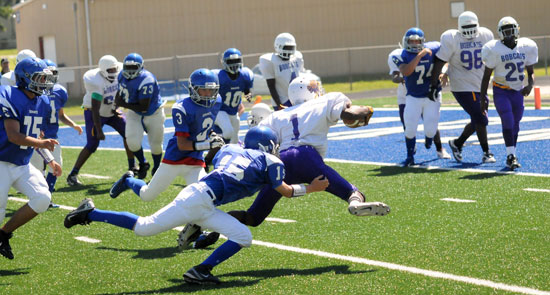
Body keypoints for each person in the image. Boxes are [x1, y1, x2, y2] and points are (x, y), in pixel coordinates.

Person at [64, 126, 329, 284]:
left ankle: (201, 270)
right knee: (144, 228)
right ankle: (91, 212)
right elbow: (284, 191)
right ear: (268, 146)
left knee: (242, 235)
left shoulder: (231, 150)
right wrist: (312, 188)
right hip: (200, 201)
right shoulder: (272, 162)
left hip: (201, 198)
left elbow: (221, 160)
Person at [179, 75, 390, 249]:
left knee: (253, 217)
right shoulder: (326, 101)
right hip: (308, 158)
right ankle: (355, 204)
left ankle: (208, 225)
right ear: (312, 90)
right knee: (351, 192)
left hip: (278, 164)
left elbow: (253, 145)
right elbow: (349, 115)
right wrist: (366, 111)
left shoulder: (276, 116)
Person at [109, 68, 224, 202]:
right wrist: (209, 144)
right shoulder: (182, 108)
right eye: (203, 90)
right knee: (147, 195)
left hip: (195, 160)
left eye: (212, 90)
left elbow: (204, 126)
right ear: (193, 89)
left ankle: (194, 223)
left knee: (205, 198)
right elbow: (182, 145)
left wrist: (212, 135)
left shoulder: (217, 102)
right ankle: (128, 180)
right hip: (175, 158)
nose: (208, 94)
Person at [0, 57, 61, 259]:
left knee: (43, 198)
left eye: (45, 79)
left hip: (21, 163)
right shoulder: (9, 94)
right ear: (25, 78)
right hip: (1, 162)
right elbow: (14, 136)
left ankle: (4, 233)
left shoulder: (42, 101)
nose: (44, 83)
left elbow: (37, 137)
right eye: (39, 78)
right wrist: (41, 145)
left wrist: (49, 158)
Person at [430, 11, 496, 164]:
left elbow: (493, 57)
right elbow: (441, 60)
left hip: (480, 84)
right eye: (466, 26)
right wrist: (436, 81)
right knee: (481, 118)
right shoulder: (452, 38)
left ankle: (457, 143)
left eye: (472, 26)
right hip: (461, 85)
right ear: (459, 26)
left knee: (478, 118)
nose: (469, 30)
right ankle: (486, 152)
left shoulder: (485, 35)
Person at [66, 55, 136, 186]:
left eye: (115, 69)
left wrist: (116, 108)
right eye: (110, 70)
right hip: (94, 113)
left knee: (129, 134)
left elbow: (119, 94)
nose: (114, 72)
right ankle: (72, 175)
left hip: (111, 111)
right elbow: (95, 109)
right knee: (92, 144)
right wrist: (99, 130)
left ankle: (132, 167)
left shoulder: (120, 75)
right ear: (103, 71)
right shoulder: (95, 81)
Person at [480, 16, 538, 170]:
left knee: (516, 125)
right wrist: (483, 97)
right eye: (506, 31)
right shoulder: (493, 49)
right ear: (500, 33)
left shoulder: (526, 46)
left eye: (511, 30)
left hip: (518, 91)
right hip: (501, 90)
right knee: (508, 120)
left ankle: (512, 153)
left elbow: (530, 71)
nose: (509, 34)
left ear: (517, 30)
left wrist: (530, 84)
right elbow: (486, 76)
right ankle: (511, 155)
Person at [29, 59, 82, 194]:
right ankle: (40, 196)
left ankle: (48, 194)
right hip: (37, 137)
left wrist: (73, 124)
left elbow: (61, 115)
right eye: (48, 74)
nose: (51, 77)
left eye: (53, 73)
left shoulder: (60, 91)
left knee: (56, 167)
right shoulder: (35, 92)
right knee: (37, 170)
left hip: (53, 136)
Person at [388, 47, 450, 159]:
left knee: (431, 121)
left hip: (425, 92)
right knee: (408, 124)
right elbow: (395, 76)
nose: (414, 45)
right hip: (406, 95)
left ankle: (439, 148)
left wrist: (442, 73)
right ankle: (411, 148)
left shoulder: (429, 52)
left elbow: (443, 62)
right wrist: (402, 78)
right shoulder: (397, 55)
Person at [393, 27, 442, 167]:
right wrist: (419, 56)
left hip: (430, 96)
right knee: (410, 127)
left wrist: (443, 72)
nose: (414, 44)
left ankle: (429, 138)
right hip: (413, 96)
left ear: (423, 41)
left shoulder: (434, 47)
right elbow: (407, 71)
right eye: (411, 41)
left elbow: (446, 57)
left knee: (431, 129)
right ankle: (410, 157)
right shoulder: (402, 54)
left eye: (417, 41)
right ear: (406, 41)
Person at [115, 53, 165, 178]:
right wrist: (116, 105)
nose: (130, 71)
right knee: (132, 142)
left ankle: (157, 167)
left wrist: (123, 104)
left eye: (134, 67)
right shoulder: (121, 75)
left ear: (141, 67)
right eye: (128, 67)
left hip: (154, 112)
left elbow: (144, 107)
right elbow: (120, 91)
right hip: (134, 111)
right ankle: (143, 163)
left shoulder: (147, 79)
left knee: (156, 145)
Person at [213, 48, 253, 144]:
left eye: (236, 61)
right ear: (225, 62)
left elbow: (247, 92)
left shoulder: (245, 76)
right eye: (231, 61)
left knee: (234, 140)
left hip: (233, 112)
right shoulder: (219, 76)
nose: (234, 64)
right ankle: (216, 153)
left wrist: (248, 97)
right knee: (228, 132)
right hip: (220, 110)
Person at [259, 32, 305, 110]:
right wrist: (279, 104)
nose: (289, 50)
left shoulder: (297, 57)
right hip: (283, 100)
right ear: (278, 46)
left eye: (291, 48)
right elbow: (271, 86)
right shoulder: (270, 61)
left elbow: (302, 76)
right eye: (286, 48)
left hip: (297, 97)